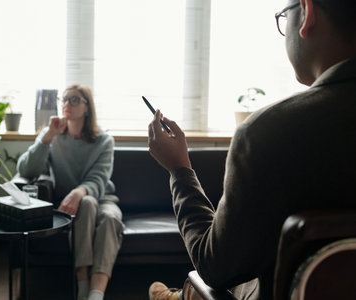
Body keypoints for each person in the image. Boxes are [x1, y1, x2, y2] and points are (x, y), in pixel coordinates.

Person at [147, 0, 356, 299]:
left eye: (285, 16)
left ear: (307, 13)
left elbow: (214, 266)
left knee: (214, 281)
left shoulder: (271, 132)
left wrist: (179, 170)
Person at [17, 84, 124, 300]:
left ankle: (95, 294)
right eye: (64, 99)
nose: (67, 104)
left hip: (101, 197)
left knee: (110, 217)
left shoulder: (104, 141)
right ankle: (82, 287)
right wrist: (46, 137)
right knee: (85, 204)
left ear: (87, 107)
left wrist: (79, 192)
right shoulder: (55, 137)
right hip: (69, 204)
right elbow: (25, 170)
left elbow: (98, 179)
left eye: (74, 100)